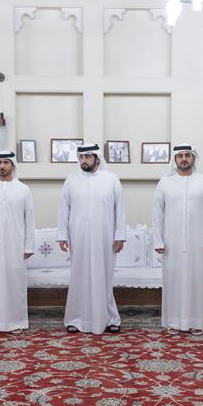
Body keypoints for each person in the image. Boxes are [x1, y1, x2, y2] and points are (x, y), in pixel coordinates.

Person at [57, 143, 126, 334]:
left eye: (87, 157)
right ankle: (75, 319)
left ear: (96, 158)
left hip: (105, 238)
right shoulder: (71, 181)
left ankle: (111, 318)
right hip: (78, 237)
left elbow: (119, 210)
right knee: (79, 278)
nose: (84, 161)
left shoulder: (111, 179)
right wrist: (62, 235)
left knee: (104, 278)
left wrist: (120, 235)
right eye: (81, 157)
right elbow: (63, 210)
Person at [152, 144, 203, 334]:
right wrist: (158, 240)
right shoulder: (164, 182)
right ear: (175, 160)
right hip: (171, 243)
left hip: (198, 243)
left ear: (194, 158)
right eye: (180, 155)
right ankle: (173, 322)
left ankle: (197, 322)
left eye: (187, 155)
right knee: (173, 281)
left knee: (197, 281)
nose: (184, 159)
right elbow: (157, 214)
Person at [0, 151, 35, 332]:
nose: (2, 166)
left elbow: (30, 219)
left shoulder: (23, 189)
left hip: (16, 245)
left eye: (6, 162)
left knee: (15, 282)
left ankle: (17, 322)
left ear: (13, 165)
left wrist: (29, 245)